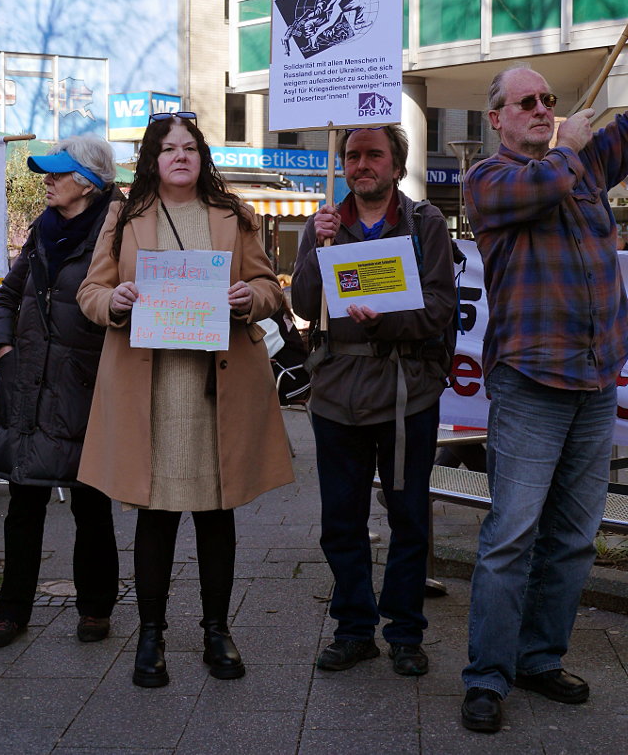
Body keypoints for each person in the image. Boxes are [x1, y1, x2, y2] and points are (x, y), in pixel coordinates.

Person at [75, 113, 294, 688]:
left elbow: (272, 289)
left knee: (216, 513)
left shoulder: (234, 215)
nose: (180, 156)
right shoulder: (126, 217)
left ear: (202, 156)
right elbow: (90, 292)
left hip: (216, 388)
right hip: (151, 388)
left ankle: (217, 631)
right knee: (157, 513)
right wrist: (115, 301)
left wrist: (252, 297)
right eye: (169, 148)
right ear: (152, 158)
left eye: (190, 147)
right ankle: (151, 635)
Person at [460, 66, 628, 733]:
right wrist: (570, 144)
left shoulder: (580, 163)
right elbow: (546, 181)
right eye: (525, 101)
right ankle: (486, 676)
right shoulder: (489, 179)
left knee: (573, 540)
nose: (541, 107)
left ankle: (537, 656)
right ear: (496, 118)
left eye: (549, 100)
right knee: (511, 536)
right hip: (529, 385)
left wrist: (583, 142)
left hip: (592, 382)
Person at [292, 125, 455, 677]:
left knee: (409, 518)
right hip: (337, 393)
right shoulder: (324, 225)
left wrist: (384, 316)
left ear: (395, 164)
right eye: (353, 155)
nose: (362, 164)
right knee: (341, 520)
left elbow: (439, 309)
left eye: (373, 155)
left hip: (407, 392)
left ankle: (406, 633)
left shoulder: (425, 223)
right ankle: (354, 628)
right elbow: (304, 302)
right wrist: (319, 246)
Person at [0, 135, 121, 649]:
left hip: (88, 388)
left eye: (58, 174)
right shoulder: (43, 230)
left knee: (91, 504)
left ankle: (96, 609)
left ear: (86, 182)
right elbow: (7, 295)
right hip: (31, 385)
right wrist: (2, 350)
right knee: (24, 504)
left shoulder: (119, 231)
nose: (47, 181)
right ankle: (10, 612)